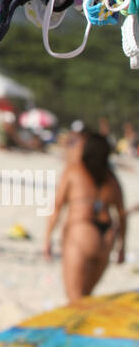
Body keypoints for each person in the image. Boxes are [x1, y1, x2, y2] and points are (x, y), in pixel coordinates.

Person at [44, 129, 127, 303]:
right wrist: (122, 247)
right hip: (107, 237)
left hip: (82, 230)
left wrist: (47, 239)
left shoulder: (74, 171)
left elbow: (57, 207)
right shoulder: (111, 178)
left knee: (74, 298)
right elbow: (121, 215)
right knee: (86, 297)